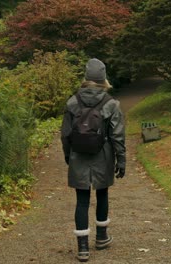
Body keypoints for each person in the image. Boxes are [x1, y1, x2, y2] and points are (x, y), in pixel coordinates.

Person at [61, 58, 126, 262]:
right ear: (103, 78)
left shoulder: (72, 102)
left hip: (78, 156)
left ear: (86, 78)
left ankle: (82, 248)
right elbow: (117, 136)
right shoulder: (111, 104)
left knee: (81, 201)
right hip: (103, 155)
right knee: (102, 194)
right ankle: (101, 238)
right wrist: (121, 160)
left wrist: (67, 156)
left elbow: (65, 134)